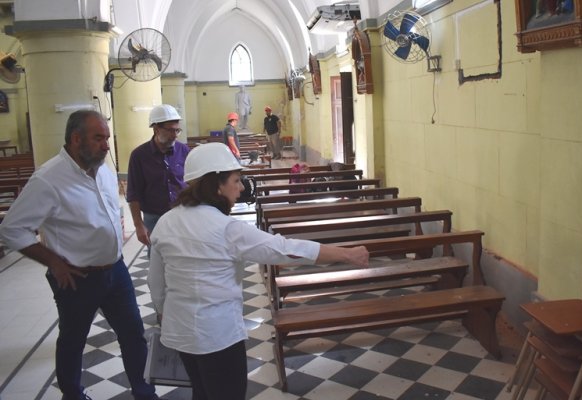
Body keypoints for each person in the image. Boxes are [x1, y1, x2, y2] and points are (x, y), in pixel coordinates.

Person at [147, 142, 370, 400]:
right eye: (236, 180)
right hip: (218, 337)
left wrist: (165, 312)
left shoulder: (166, 221)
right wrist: (346, 253)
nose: (241, 187)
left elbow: (156, 283)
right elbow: (287, 249)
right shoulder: (227, 229)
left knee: (201, 392)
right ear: (216, 185)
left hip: (180, 332)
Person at [0, 110, 162, 400]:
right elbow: (12, 229)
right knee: (73, 341)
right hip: (77, 278)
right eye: (99, 138)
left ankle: (144, 392)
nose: (106, 145)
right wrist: (53, 261)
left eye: (107, 138)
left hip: (116, 269)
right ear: (76, 139)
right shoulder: (48, 179)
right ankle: (73, 394)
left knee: (133, 334)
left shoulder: (103, 170)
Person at [127, 104, 189, 252]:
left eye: (177, 130)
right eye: (170, 130)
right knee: (157, 259)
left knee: (185, 256)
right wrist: (138, 225)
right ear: (156, 129)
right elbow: (133, 193)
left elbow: (194, 183)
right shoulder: (139, 156)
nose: (174, 135)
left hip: (183, 215)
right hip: (154, 218)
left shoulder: (184, 151)